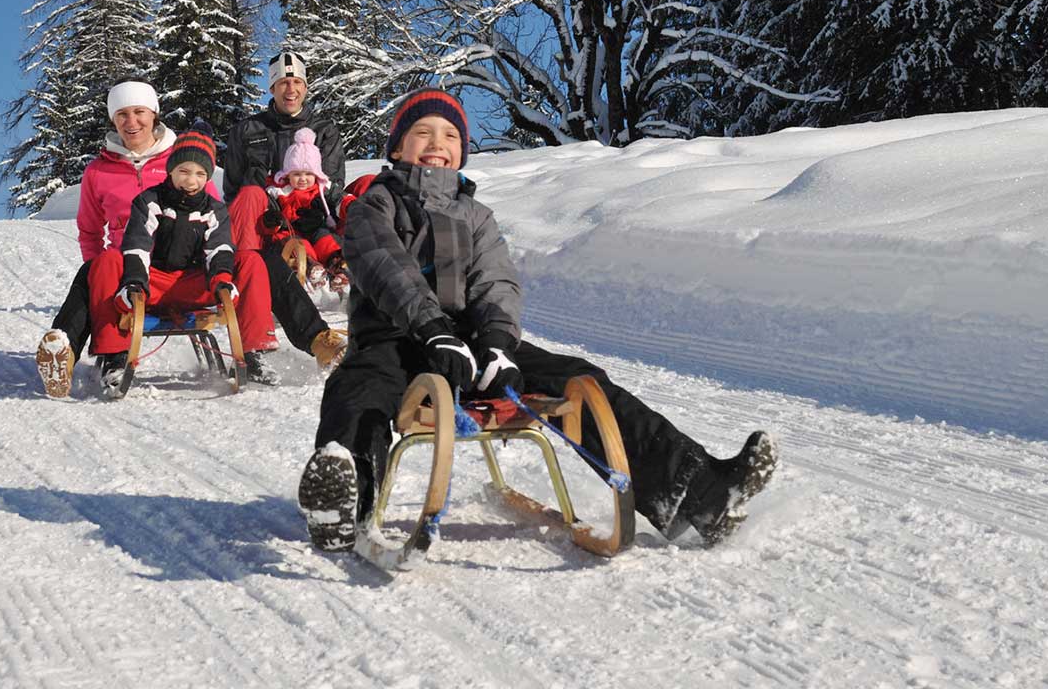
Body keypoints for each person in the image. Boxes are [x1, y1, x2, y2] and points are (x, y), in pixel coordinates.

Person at [297, 88, 777, 552]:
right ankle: (344, 499)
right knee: (357, 390)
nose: (436, 145)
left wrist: (499, 345)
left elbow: (496, 282)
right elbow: (388, 269)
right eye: (422, 132)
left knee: (580, 380)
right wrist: (433, 329)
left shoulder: (476, 215)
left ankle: (698, 496)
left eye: (449, 136)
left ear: (462, 152)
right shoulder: (373, 206)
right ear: (398, 146)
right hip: (395, 341)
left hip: (471, 348)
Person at [83, 131, 278, 398]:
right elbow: (138, 245)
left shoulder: (214, 209)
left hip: (195, 285)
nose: (192, 181)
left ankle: (253, 353)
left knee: (250, 260)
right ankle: (115, 355)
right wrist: (135, 282)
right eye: (184, 171)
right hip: (153, 283)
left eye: (200, 174)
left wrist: (222, 280)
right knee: (108, 260)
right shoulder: (149, 202)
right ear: (171, 171)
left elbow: (219, 248)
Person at [35, 81, 179, 398]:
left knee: (96, 271)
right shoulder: (99, 171)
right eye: (122, 114)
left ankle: (72, 348)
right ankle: (62, 357)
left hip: (172, 271)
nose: (132, 122)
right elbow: (89, 230)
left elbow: (212, 215)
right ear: (113, 120)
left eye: (139, 112)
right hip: (121, 271)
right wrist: (102, 274)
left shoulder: (182, 163)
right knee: (100, 267)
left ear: (154, 113)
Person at [219, 51, 350, 374]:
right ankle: (253, 305)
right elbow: (233, 190)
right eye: (282, 83)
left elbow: (331, 183)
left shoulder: (324, 129)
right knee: (250, 197)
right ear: (272, 88)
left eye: (296, 82)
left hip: (311, 217)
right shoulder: (247, 131)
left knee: (370, 192)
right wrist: (272, 208)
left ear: (305, 87)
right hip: (262, 227)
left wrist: (314, 210)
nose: (290, 89)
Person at [260, 127, 346, 289]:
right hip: (292, 231)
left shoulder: (323, 190)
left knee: (326, 239)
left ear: (316, 174)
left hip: (318, 229)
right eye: (296, 174)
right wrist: (275, 220)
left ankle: (337, 267)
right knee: (295, 243)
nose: (303, 179)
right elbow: (267, 216)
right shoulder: (279, 192)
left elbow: (342, 201)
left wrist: (352, 207)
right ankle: (312, 267)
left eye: (308, 174)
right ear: (287, 175)